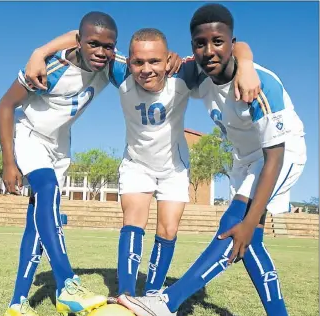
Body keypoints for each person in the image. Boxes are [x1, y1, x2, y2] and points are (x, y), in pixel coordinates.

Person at [23, 23, 260, 301]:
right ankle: (125, 294)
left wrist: (246, 64)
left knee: (168, 230)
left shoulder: (184, 70)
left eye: (154, 61)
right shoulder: (119, 70)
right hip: (136, 164)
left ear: (167, 59)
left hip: (174, 167)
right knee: (133, 222)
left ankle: (151, 295)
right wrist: (40, 52)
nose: (146, 69)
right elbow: (80, 38)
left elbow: (234, 46)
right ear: (129, 60)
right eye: (138, 61)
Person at [117, 4, 306, 316]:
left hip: (280, 156)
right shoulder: (200, 73)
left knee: (234, 226)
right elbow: (170, 66)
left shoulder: (259, 84)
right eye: (200, 44)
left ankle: (167, 303)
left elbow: (275, 156)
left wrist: (250, 219)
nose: (209, 51)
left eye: (218, 42)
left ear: (232, 43)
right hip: (247, 161)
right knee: (250, 245)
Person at [0, 11, 121, 316]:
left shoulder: (108, 63)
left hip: (60, 145)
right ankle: (68, 284)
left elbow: (139, 58)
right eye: (92, 44)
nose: (101, 52)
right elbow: (4, 105)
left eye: (108, 47)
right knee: (48, 192)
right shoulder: (51, 68)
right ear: (79, 42)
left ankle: (16, 305)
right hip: (29, 136)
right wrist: (9, 162)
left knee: (37, 225)